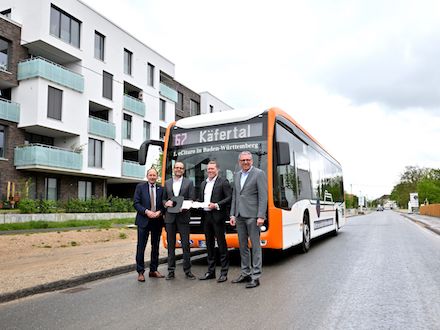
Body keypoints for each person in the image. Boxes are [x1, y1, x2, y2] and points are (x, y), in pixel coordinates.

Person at [230, 151, 268, 288]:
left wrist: (261, 216)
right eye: (243, 160)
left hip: (253, 216)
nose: (245, 162)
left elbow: (263, 197)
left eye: (248, 160)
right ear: (239, 162)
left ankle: (256, 276)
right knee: (243, 246)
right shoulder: (237, 175)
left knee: (256, 247)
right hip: (239, 216)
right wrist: (232, 214)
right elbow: (235, 195)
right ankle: (246, 273)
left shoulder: (259, 174)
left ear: (251, 161)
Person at [198, 160, 232, 283]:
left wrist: (217, 205)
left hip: (218, 217)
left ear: (217, 169)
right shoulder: (203, 183)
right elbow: (201, 199)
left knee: (222, 245)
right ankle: (211, 272)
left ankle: (224, 273)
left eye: (212, 169)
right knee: (209, 245)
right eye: (208, 169)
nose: (210, 171)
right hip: (206, 217)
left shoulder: (223, 182)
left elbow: (229, 197)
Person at [163, 161, 196, 280]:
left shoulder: (189, 182)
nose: (178, 169)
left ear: (183, 170)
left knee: (186, 245)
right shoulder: (167, 183)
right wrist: (166, 203)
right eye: (176, 167)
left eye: (181, 168)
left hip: (183, 216)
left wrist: (185, 205)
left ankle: (188, 271)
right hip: (170, 218)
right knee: (171, 245)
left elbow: (192, 198)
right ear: (173, 169)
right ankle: (171, 271)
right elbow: (163, 199)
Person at [133, 168, 165, 282]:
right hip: (143, 220)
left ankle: (153, 270)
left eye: (154, 175)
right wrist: (147, 211)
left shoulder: (161, 189)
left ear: (157, 177)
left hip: (157, 221)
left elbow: (164, 204)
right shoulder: (140, 187)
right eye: (150, 175)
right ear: (147, 176)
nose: (152, 177)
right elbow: (136, 203)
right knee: (141, 247)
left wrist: (159, 212)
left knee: (155, 247)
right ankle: (140, 272)